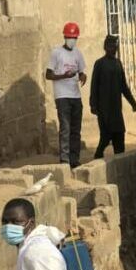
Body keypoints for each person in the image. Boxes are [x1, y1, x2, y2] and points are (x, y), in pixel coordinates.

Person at [0, 198, 73, 270]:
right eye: (5, 222)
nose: (9, 226)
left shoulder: (38, 252)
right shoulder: (28, 247)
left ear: (31, 223)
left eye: (16, 222)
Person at [45, 22, 87, 168]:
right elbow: (48, 75)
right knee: (65, 128)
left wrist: (82, 77)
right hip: (62, 96)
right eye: (69, 37)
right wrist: (63, 76)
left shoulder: (78, 53)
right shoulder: (56, 53)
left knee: (76, 129)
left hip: (76, 96)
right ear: (65, 37)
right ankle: (64, 160)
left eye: (74, 37)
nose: (72, 40)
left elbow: (82, 72)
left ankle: (74, 160)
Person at [90, 35, 136, 159]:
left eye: (115, 47)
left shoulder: (118, 64)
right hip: (104, 109)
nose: (113, 49)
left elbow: (124, 86)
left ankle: (119, 162)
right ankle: (97, 158)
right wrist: (93, 104)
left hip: (116, 109)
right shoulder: (99, 64)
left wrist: (132, 102)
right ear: (105, 47)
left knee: (119, 137)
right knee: (105, 138)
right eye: (111, 46)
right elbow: (94, 85)